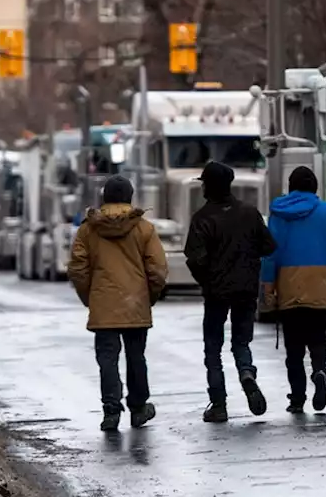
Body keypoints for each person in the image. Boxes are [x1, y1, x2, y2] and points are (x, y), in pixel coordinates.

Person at [67, 175, 167, 432]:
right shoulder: (144, 229)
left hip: (103, 304)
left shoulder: (88, 229)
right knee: (136, 357)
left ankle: (111, 411)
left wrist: (91, 297)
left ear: (104, 198)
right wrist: (149, 297)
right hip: (135, 303)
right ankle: (138, 407)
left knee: (107, 360)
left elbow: (78, 268)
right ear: (130, 198)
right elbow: (157, 269)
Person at [184, 161, 276, 424]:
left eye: (203, 183)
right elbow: (268, 246)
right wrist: (247, 258)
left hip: (216, 292)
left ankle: (219, 404)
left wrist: (207, 280)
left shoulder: (202, 219)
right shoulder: (249, 213)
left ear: (209, 187)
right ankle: (246, 372)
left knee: (213, 349)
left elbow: (194, 257)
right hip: (246, 289)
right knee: (241, 342)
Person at [261, 166, 326, 414]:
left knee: (294, 347)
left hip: (288, 285)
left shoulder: (278, 214)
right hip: (318, 282)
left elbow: (269, 254)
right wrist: (323, 261)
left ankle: (297, 398)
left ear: (290, 186)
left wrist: (268, 287)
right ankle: (320, 370)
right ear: (315, 187)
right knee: (318, 337)